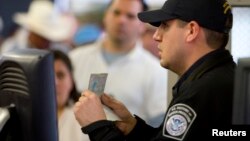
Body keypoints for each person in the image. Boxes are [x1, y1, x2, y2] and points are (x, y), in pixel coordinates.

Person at [73, 0, 236, 140]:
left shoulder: (201, 92)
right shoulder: (217, 79)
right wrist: (134, 128)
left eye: (165, 25)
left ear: (191, 31)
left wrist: (97, 126)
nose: (156, 36)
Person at [69, 0, 167, 127]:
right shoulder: (74, 59)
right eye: (116, 13)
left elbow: (157, 126)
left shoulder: (156, 71)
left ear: (142, 26)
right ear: (105, 16)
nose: (121, 20)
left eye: (130, 16)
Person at [52, 50, 90, 141]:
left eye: (60, 75)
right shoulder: (27, 118)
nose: (54, 82)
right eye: (48, 76)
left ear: (71, 80)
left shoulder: (85, 120)